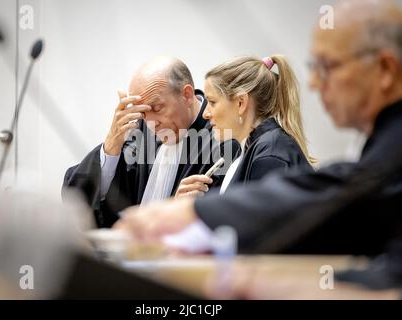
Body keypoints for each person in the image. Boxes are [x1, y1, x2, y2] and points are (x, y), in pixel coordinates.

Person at [115, 0, 402, 256]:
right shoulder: (251, 148)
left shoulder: (270, 152)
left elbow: (276, 231)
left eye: (327, 66)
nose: (314, 83)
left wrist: (192, 213)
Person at [62, 56, 236, 227]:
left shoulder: (222, 134)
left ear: (187, 95)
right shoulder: (141, 129)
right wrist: (111, 146)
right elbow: (79, 198)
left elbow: (226, 213)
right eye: (143, 113)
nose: (151, 123)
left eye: (157, 108)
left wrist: (179, 210)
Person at [174, 55, 313, 199]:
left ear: (241, 103)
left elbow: (254, 220)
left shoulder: (269, 156)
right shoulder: (250, 150)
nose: (206, 114)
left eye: (213, 102)